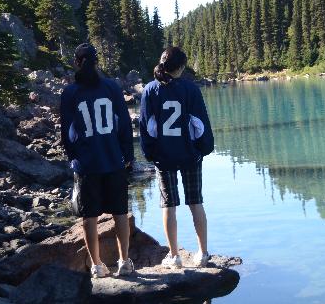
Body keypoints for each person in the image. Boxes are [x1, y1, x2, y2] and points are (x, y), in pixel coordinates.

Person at [60, 43, 135, 278]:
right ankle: (124, 262)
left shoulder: (70, 93)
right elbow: (123, 124)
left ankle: (97, 265)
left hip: (86, 163)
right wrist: (128, 155)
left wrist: (74, 158)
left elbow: (68, 133)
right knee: (120, 212)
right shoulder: (111, 87)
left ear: (77, 63)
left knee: (89, 216)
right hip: (113, 159)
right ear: (97, 62)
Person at [139, 47, 215, 268]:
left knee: (168, 205)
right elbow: (199, 125)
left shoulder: (150, 90)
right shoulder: (190, 89)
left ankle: (174, 256)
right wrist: (203, 149)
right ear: (181, 67)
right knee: (195, 202)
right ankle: (202, 252)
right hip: (190, 155)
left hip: (164, 157)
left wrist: (150, 154)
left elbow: (148, 128)